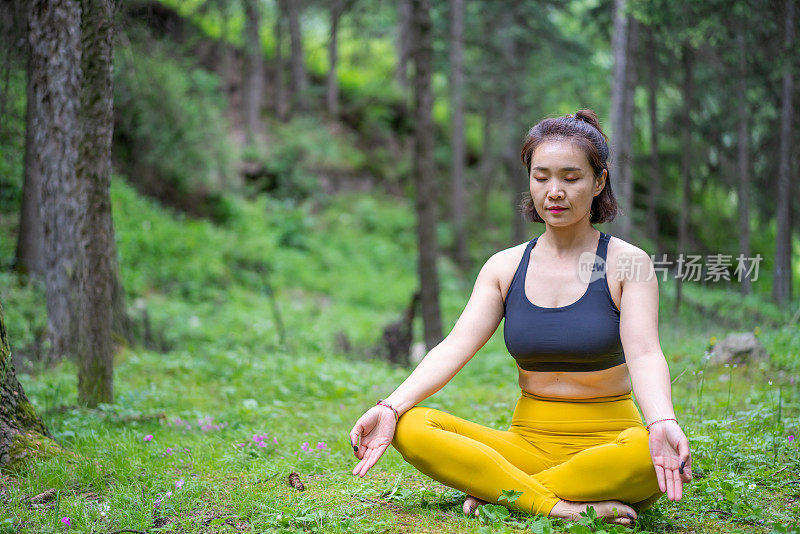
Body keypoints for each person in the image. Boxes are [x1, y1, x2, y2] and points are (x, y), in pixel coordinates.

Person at [348, 109, 692, 527]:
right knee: (412, 424)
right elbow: (455, 346)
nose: (554, 192)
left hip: (610, 444)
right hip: (526, 442)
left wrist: (661, 421)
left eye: (571, 177)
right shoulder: (504, 267)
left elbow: (644, 352)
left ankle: (505, 490)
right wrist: (391, 404)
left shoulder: (627, 263)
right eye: (542, 176)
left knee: (646, 453)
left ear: (599, 181)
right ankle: (559, 506)